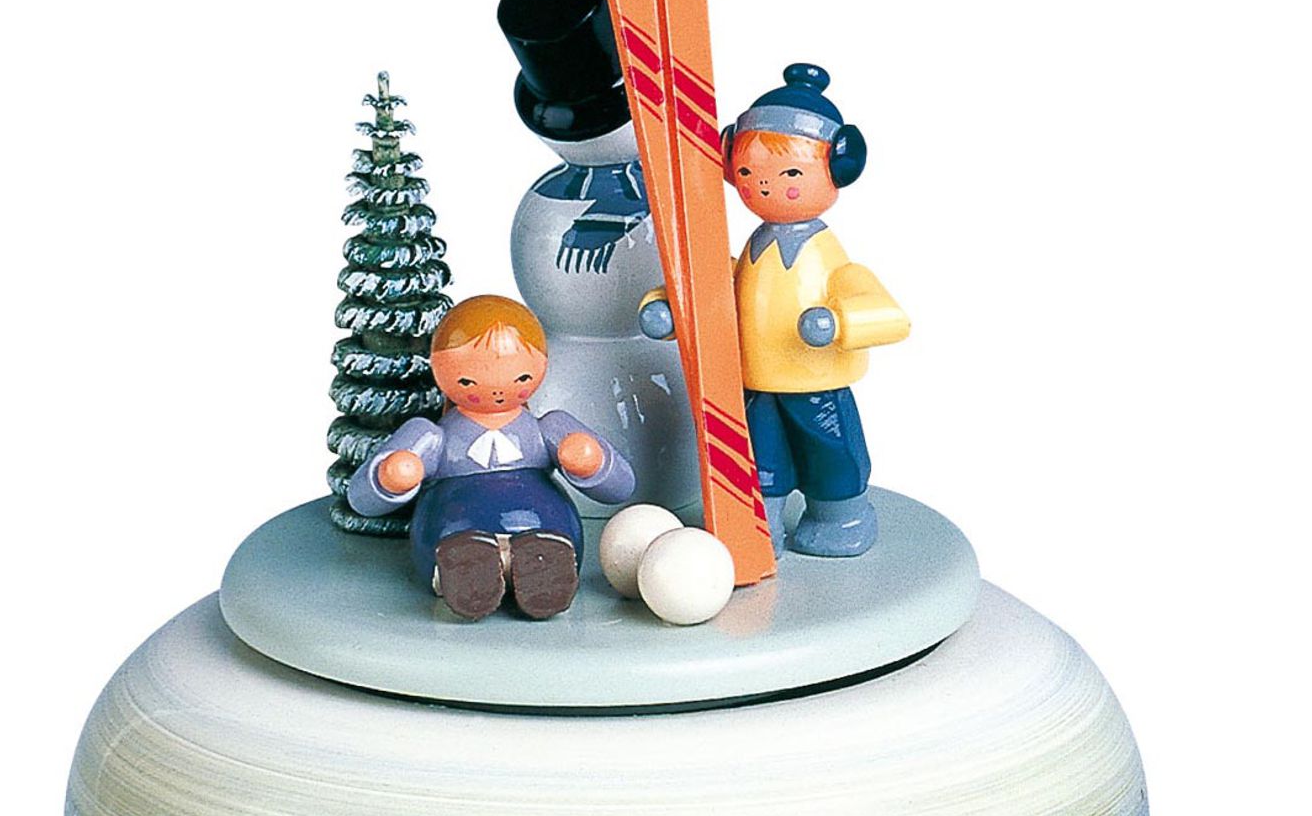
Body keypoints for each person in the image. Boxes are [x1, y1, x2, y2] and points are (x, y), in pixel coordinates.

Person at [642, 64, 910, 556]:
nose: (763, 186)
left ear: (839, 168)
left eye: (789, 174)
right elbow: (709, 282)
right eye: (747, 174)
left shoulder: (829, 259)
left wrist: (840, 321)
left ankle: (844, 519)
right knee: (758, 458)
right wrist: (668, 306)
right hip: (755, 387)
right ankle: (758, 526)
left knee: (832, 456)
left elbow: (889, 315)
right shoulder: (751, 252)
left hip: (816, 387)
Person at [347, 294, 634, 619]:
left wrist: (591, 463)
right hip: (452, 529)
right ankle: (468, 573)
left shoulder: (549, 429)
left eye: (520, 378)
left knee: (546, 546)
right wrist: (390, 477)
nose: (496, 391)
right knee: (459, 548)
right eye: (468, 380)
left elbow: (621, 488)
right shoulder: (430, 437)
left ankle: (545, 570)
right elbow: (361, 500)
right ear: (438, 368)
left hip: (544, 528)